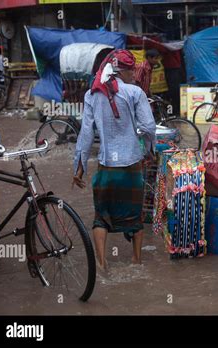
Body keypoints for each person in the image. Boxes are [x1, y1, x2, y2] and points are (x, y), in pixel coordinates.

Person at [72, 49, 156, 272]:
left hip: (106, 166)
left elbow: (86, 134)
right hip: (131, 165)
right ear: (124, 70)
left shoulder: (92, 94)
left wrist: (79, 167)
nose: (134, 76)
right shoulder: (135, 93)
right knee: (135, 217)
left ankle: (101, 264)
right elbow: (148, 127)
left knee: (101, 218)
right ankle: (136, 262)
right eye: (132, 71)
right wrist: (149, 149)